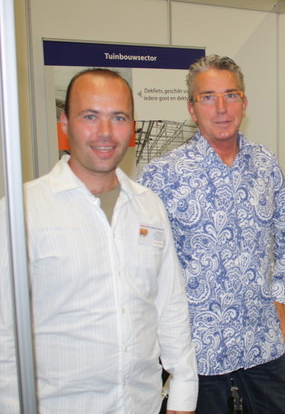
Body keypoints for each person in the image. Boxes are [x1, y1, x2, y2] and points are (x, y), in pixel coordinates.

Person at [0, 68, 198, 413]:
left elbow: (170, 304)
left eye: (118, 117)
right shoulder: (22, 211)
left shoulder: (148, 207)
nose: (105, 132)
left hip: (141, 404)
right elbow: (5, 331)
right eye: (90, 116)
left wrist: (184, 389)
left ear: (132, 126)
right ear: (65, 123)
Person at [137, 55, 285, 413]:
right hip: (196, 348)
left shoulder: (265, 164)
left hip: (261, 338)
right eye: (208, 97)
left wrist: (279, 297)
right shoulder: (162, 176)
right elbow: (142, 263)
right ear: (192, 108)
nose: (222, 108)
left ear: (244, 102)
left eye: (231, 95)